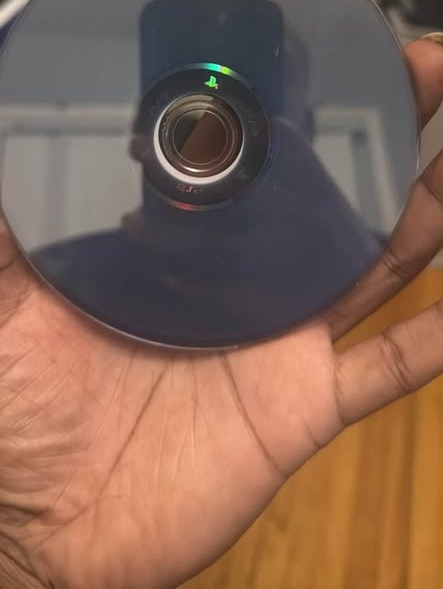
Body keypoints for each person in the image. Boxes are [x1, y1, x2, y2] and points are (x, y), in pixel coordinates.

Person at [0, 36, 442, 589]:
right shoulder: (66, 283)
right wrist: (16, 548)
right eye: (189, 126)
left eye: (266, 99)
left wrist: (23, 562)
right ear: (140, 140)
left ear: (297, 132)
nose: (210, 136)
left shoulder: (324, 258)